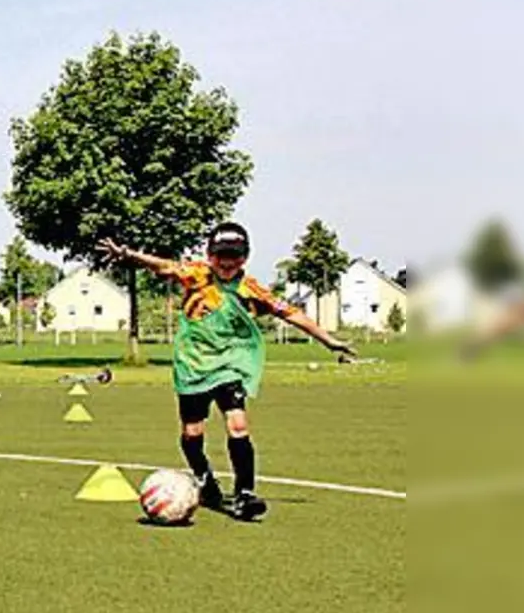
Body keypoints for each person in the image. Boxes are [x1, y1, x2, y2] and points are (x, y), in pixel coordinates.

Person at [97, 222, 356, 520]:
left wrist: (328, 341)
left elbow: (291, 312)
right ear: (210, 255)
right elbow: (165, 266)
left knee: (237, 426)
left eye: (234, 256)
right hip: (192, 365)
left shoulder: (251, 289)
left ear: (245, 257)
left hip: (229, 365)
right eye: (221, 255)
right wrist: (128, 253)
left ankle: (245, 495)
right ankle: (205, 478)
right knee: (192, 433)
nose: (227, 262)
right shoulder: (197, 275)